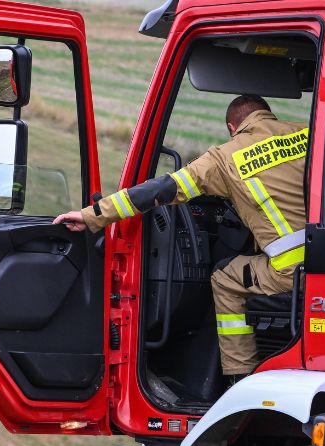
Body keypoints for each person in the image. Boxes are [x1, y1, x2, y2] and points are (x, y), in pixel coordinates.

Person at [54, 94, 308, 382]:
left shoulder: (224, 158)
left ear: (231, 127)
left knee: (224, 278)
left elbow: (160, 190)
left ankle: (239, 376)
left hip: (293, 271)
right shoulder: (306, 134)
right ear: (268, 114)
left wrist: (92, 215)